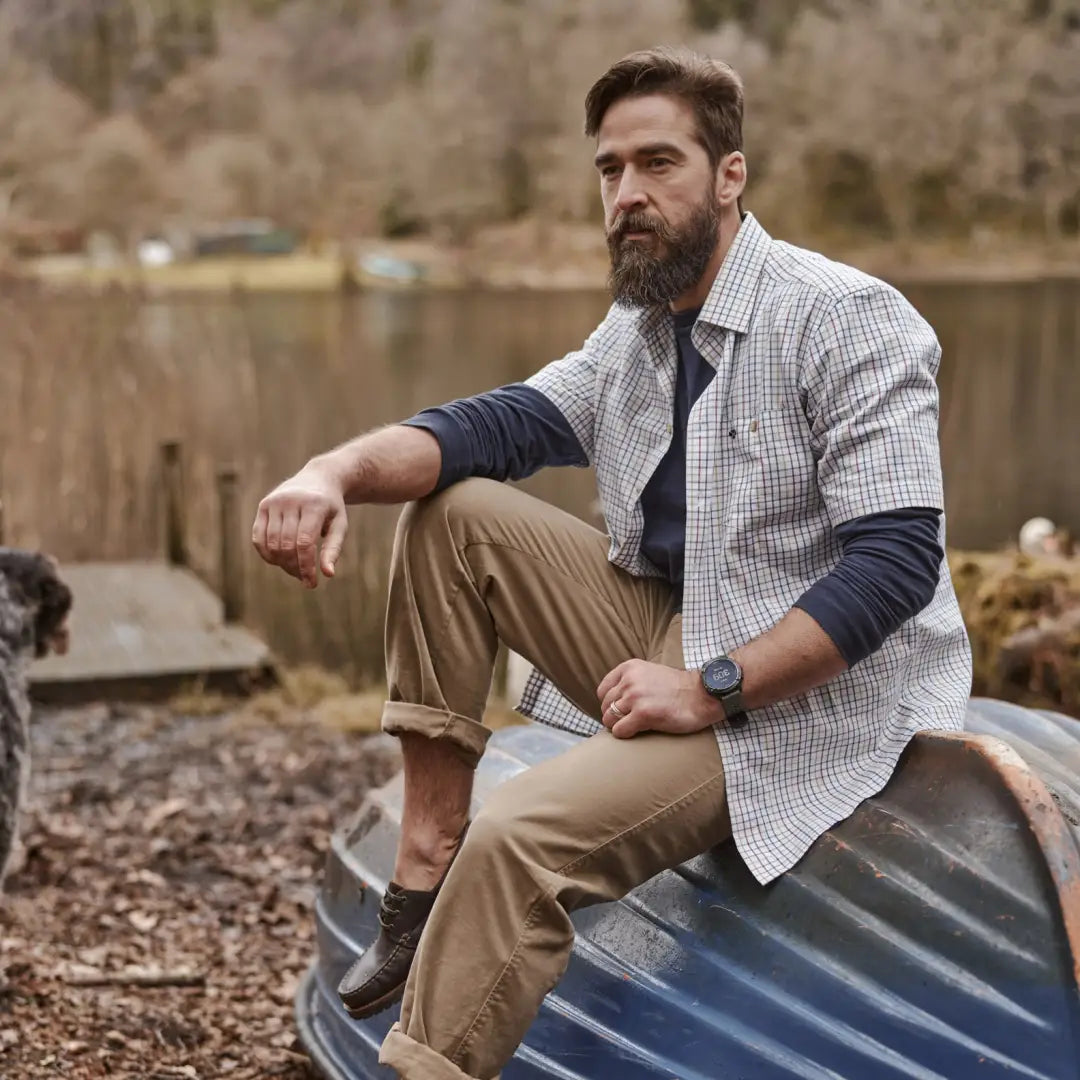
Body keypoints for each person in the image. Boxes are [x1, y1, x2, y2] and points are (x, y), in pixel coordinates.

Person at [251, 46, 972, 1080]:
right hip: (683, 622)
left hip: (817, 695)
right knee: (451, 511)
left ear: (730, 176)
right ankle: (423, 855)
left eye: (659, 163)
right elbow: (492, 427)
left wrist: (709, 687)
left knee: (520, 841)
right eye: (610, 170)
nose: (628, 194)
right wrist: (331, 471)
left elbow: (900, 563)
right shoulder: (640, 326)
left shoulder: (846, 317)